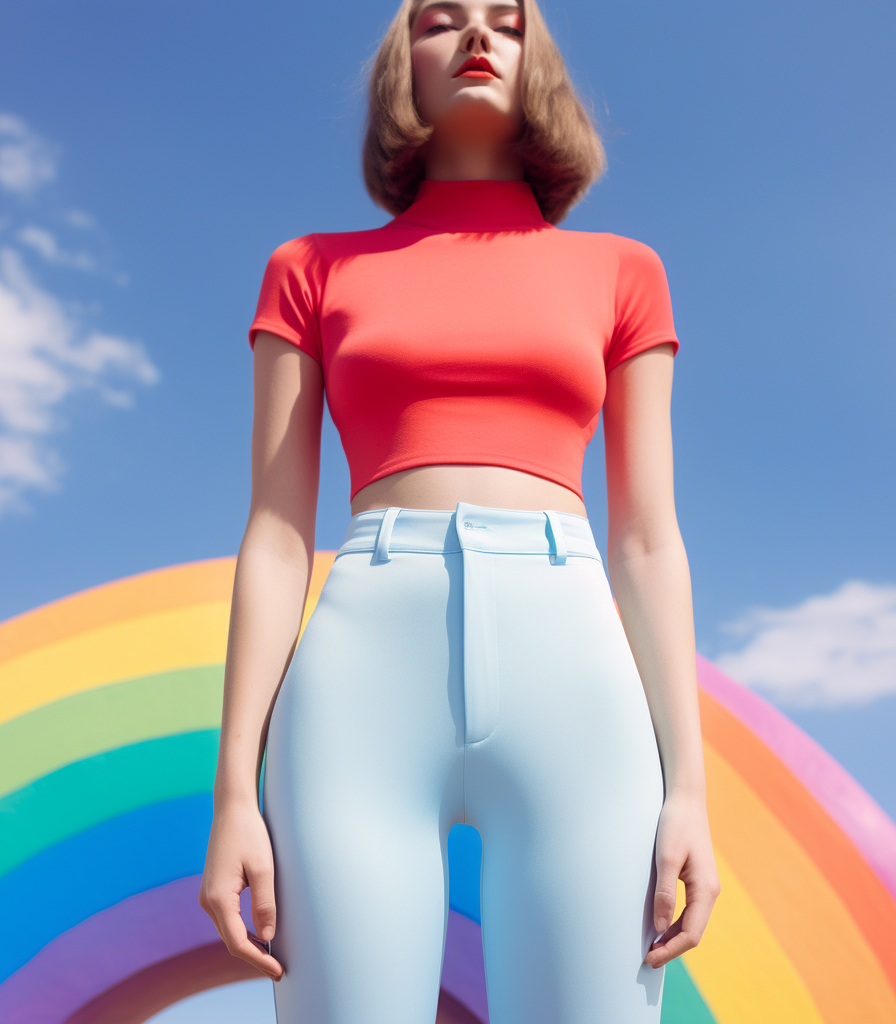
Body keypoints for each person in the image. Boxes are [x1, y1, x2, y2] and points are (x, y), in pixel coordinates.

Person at [199, 0, 720, 1020]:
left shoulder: (623, 272)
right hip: (362, 672)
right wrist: (233, 795)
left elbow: (648, 538)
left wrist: (689, 788)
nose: (478, 38)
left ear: (539, 65)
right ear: (404, 65)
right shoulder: (308, 269)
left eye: (508, 23)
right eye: (443, 21)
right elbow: (274, 534)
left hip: (572, 664)